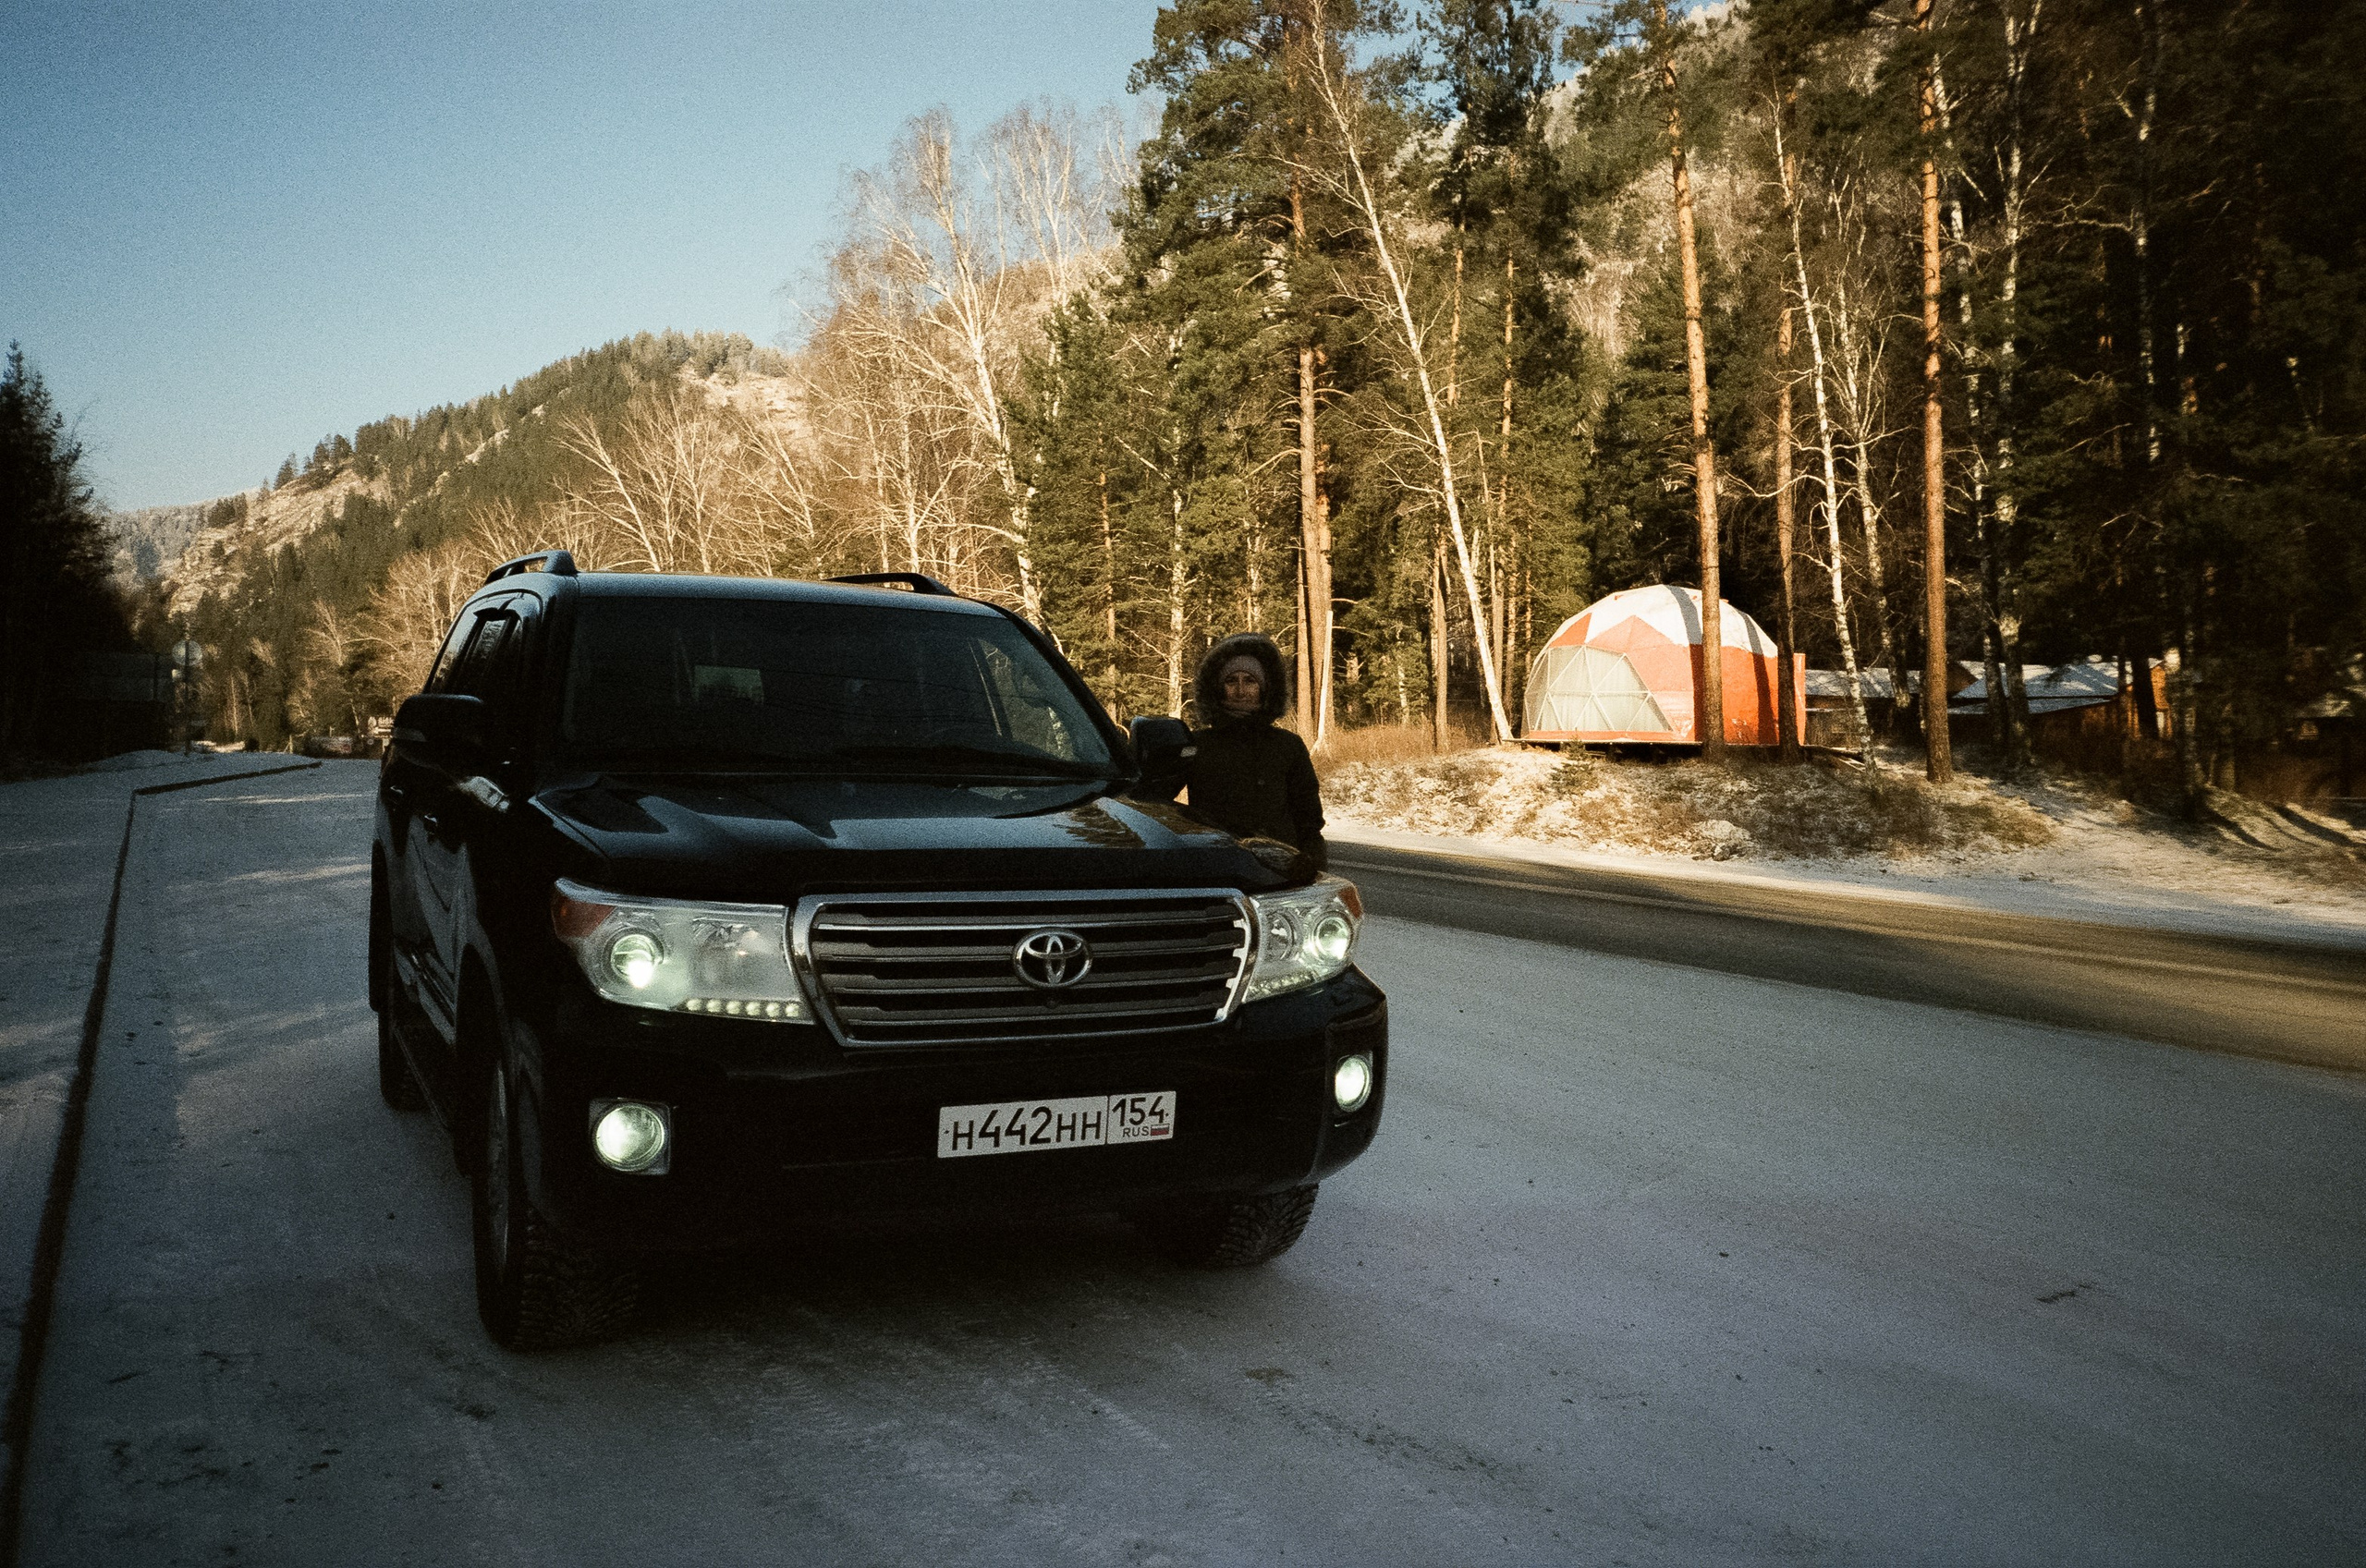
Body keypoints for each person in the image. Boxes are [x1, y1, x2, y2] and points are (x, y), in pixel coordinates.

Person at [1176, 632, 1326, 869]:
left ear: (1265, 688)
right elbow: (1156, 802)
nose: (1240, 690)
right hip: (1216, 866)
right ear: (1217, 688)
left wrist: (1313, 869)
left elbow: (1309, 821)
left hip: (1279, 868)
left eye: (1250, 681)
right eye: (1231, 681)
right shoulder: (1196, 745)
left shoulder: (1288, 745)